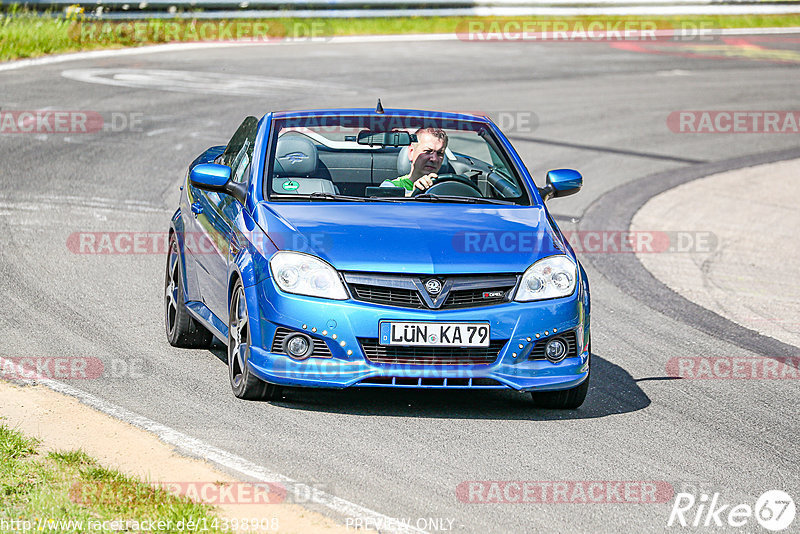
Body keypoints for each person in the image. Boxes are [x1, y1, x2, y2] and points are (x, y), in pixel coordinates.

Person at [382, 127, 448, 196]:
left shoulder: (449, 187)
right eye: (428, 151)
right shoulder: (391, 186)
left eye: (440, 153)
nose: (434, 159)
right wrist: (413, 194)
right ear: (411, 152)